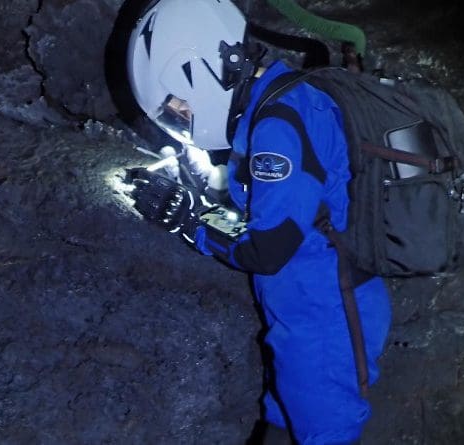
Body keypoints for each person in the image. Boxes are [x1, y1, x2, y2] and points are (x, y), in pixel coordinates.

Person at [125, 1, 391, 444]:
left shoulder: (277, 127)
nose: (182, 120)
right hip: (305, 311)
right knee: (282, 425)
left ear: (209, 69)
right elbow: (287, 207)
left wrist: (189, 223)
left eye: (179, 107)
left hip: (327, 319)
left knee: (323, 431)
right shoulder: (277, 100)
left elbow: (267, 250)